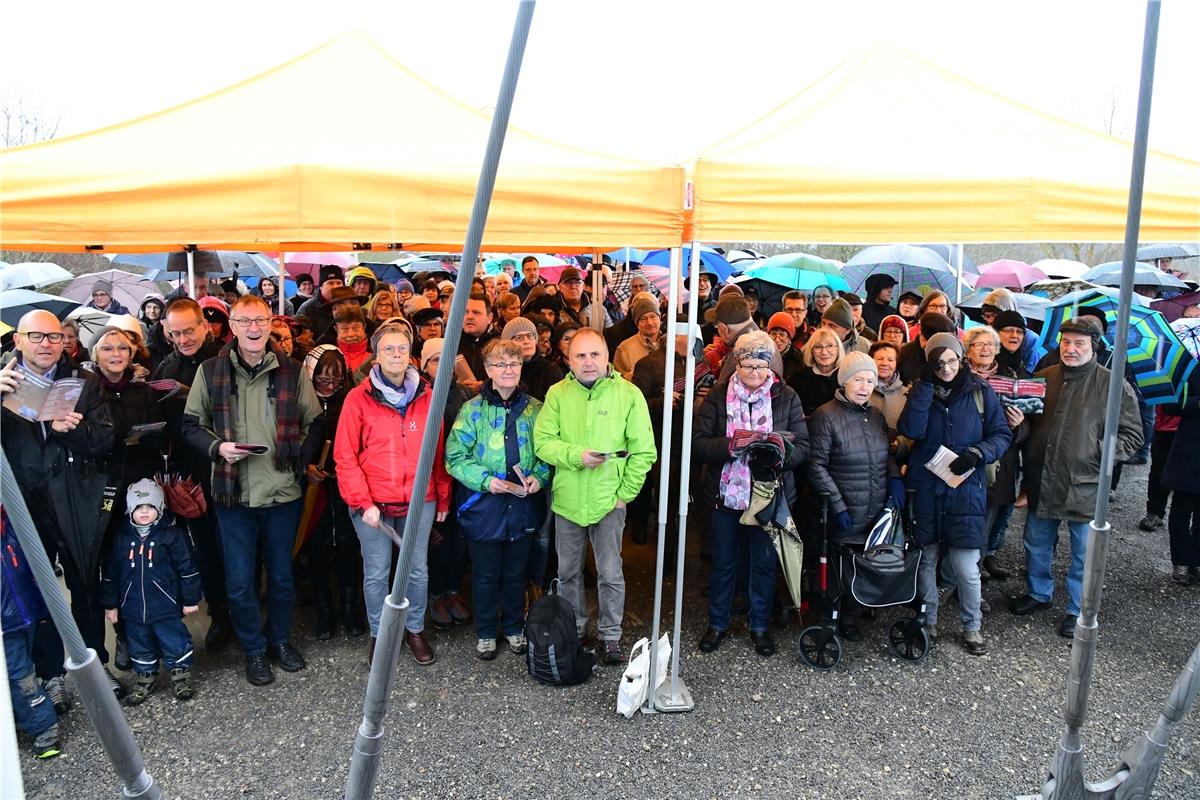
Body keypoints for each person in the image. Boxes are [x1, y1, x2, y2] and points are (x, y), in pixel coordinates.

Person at [182, 295, 323, 685]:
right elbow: (191, 425)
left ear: (269, 322)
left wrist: (298, 458)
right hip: (234, 494)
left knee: (280, 578)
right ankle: (254, 650)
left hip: (282, 492)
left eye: (261, 320)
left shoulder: (292, 371)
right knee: (240, 581)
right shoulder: (211, 372)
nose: (254, 328)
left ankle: (279, 640)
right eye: (245, 322)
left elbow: (315, 423)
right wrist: (218, 448)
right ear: (233, 327)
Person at [0, 310, 119, 696]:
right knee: (36, 587)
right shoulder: (4, 382)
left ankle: (97, 665)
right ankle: (52, 675)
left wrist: (72, 430)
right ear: (18, 340)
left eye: (54, 337)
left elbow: (105, 437)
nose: (46, 344)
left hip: (75, 498)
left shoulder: (83, 381)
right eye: (36, 336)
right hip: (24, 500)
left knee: (85, 584)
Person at [1011, 317, 1142, 636]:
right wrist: (1017, 424)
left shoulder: (1113, 385)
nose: (1070, 349)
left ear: (1093, 348)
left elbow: (1133, 435)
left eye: (1079, 344)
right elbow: (1030, 424)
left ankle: (1077, 608)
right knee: (1036, 541)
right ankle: (1038, 592)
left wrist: (1096, 451)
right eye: (1066, 342)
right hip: (1041, 476)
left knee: (1084, 553)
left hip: (1085, 483)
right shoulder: (1043, 377)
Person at [533, 328, 656, 665]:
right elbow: (542, 442)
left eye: (595, 355)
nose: (588, 362)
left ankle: (610, 636)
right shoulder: (557, 394)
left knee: (610, 572)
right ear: (568, 360)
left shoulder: (628, 394)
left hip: (608, 501)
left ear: (607, 357)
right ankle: (574, 629)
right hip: (568, 502)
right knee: (568, 572)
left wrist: (624, 495)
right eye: (580, 356)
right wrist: (576, 456)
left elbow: (643, 451)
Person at [334, 322, 451, 667]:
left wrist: (442, 497)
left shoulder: (429, 397)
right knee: (377, 571)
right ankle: (380, 635)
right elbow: (345, 456)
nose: (396, 355)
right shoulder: (358, 399)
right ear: (376, 356)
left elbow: (438, 454)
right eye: (388, 349)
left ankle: (414, 629)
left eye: (402, 348)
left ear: (411, 354)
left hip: (419, 501)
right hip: (373, 503)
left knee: (416, 570)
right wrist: (362, 502)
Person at [693, 332, 808, 657]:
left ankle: (759, 625)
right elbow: (700, 443)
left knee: (763, 564)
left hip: (769, 493)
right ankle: (718, 622)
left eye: (761, 365)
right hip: (725, 495)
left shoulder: (786, 396)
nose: (755, 373)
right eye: (747, 366)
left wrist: (778, 454)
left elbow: (803, 445)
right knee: (724, 562)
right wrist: (731, 446)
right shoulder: (717, 396)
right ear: (736, 364)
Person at [898, 333, 1011, 655]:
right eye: (938, 362)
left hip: (966, 489)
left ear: (961, 358)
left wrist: (978, 453)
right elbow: (912, 430)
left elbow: (1002, 434)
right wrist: (922, 389)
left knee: (966, 567)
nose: (946, 368)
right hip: (928, 488)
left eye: (951, 360)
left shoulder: (981, 391)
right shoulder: (922, 391)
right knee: (927, 560)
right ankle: (928, 621)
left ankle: (972, 627)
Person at [445, 340, 551, 659]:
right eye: (500, 364)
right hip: (485, 507)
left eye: (514, 364)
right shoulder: (472, 410)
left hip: (522, 506)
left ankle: (515, 627)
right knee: (486, 573)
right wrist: (487, 481)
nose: (508, 370)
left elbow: (549, 450)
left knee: (516, 573)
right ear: (488, 370)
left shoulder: (536, 409)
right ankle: (488, 631)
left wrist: (540, 476)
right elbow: (454, 456)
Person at [807, 351, 903, 640]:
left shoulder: (875, 415)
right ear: (845, 381)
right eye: (858, 379)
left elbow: (885, 455)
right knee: (839, 567)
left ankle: (851, 616)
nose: (864, 386)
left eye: (870, 380)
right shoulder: (826, 415)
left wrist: (895, 480)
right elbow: (817, 465)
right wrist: (837, 505)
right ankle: (831, 616)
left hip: (874, 508)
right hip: (843, 507)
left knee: (864, 562)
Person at [152, 299, 231, 651]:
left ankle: (244, 614)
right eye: (176, 332)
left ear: (205, 326)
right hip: (192, 475)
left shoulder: (229, 358)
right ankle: (220, 615)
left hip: (231, 467)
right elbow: (162, 426)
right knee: (207, 551)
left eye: (189, 330)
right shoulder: (166, 366)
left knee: (238, 549)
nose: (183, 338)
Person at [101, 480, 202, 705]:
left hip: (166, 604)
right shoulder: (121, 539)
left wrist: (190, 599)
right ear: (129, 510)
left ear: (160, 508)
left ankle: (180, 675)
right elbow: (111, 574)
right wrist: (111, 605)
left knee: (174, 639)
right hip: (133, 607)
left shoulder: (172, 535)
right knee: (140, 643)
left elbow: (187, 568)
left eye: (150, 506)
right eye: (138, 507)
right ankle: (145, 677)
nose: (144, 511)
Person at [297, 345, 366, 640]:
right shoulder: (299, 401)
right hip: (312, 487)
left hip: (346, 484)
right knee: (316, 547)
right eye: (322, 381)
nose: (329, 387)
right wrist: (304, 466)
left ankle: (350, 607)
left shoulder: (352, 400)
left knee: (349, 546)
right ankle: (324, 609)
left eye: (336, 381)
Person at [962, 325, 1027, 582]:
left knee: (990, 522)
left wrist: (1019, 423)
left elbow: (1029, 425)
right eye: (979, 344)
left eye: (991, 344)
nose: (987, 349)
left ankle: (974, 579)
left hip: (1001, 461)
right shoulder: (958, 376)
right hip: (968, 459)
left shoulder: (1010, 378)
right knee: (968, 525)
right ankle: (960, 580)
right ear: (968, 351)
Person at [2, 509, 62, 759]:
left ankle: (43, 726)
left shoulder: (13, 527)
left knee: (21, 674)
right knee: (19, 674)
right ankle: (35, 722)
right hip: (9, 623)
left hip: (25, 615)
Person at [1160, 372, 1200, 584]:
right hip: (1189, 450)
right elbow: (1172, 405)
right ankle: (1182, 560)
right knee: (1182, 508)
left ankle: (1197, 560)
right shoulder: (1190, 367)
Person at [501, 316, 562, 402]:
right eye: (519, 337)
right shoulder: (501, 371)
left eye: (530, 336)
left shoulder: (550, 370)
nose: (526, 341)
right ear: (507, 344)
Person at [1138, 406, 1179, 533]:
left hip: (1190, 427)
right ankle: (1155, 512)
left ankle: (1181, 518)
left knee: (1186, 476)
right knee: (1158, 470)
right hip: (1166, 426)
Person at [788, 326, 844, 417]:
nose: (824, 352)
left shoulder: (846, 379)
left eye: (830, 346)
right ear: (811, 351)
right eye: (818, 347)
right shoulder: (798, 378)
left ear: (838, 349)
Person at [898, 312, 956, 385]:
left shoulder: (953, 355)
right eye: (927, 340)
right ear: (920, 331)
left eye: (936, 343)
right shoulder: (904, 353)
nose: (930, 346)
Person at [613, 294, 662, 379]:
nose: (649, 322)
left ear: (660, 318)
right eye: (643, 319)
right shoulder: (624, 349)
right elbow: (618, 381)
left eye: (653, 316)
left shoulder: (671, 342)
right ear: (636, 323)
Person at [295, 265, 347, 342]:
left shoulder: (350, 306)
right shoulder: (307, 309)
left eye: (339, 283)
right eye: (331, 283)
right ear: (321, 286)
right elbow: (301, 341)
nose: (335, 286)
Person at [459, 293, 496, 392]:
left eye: (476, 312)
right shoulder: (450, 342)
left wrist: (484, 386)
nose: (469, 317)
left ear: (489, 318)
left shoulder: (500, 344)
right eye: (466, 312)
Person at [869, 341, 907, 433]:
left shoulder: (907, 394)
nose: (884, 363)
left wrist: (900, 443)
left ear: (896, 364)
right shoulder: (861, 390)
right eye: (880, 358)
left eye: (890, 360)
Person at [332, 302, 372, 376]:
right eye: (345, 329)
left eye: (356, 328)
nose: (351, 334)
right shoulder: (329, 357)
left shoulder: (375, 356)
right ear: (336, 330)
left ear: (364, 327)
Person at [766, 311, 805, 386]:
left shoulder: (798, 359)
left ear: (789, 337)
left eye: (782, 335)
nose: (777, 339)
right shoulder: (761, 354)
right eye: (773, 334)